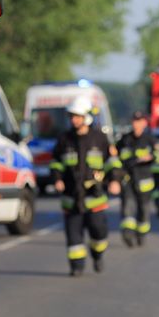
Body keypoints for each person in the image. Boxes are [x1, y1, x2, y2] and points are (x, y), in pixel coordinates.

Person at [51, 97, 122, 276]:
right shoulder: (64, 139)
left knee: (98, 233)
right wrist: (57, 178)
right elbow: (56, 163)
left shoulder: (99, 138)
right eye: (72, 116)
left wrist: (114, 180)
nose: (74, 120)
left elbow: (112, 162)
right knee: (73, 236)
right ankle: (77, 266)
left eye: (77, 116)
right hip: (71, 197)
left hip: (94, 198)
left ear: (86, 117)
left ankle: (97, 255)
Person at [117, 111, 159, 247]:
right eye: (135, 121)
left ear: (145, 123)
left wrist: (151, 157)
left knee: (144, 210)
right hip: (128, 179)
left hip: (144, 180)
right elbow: (116, 157)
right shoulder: (125, 139)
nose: (136, 124)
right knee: (127, 206)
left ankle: (141, 234)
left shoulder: (150, 139)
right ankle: (128, 234)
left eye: (139, 121)